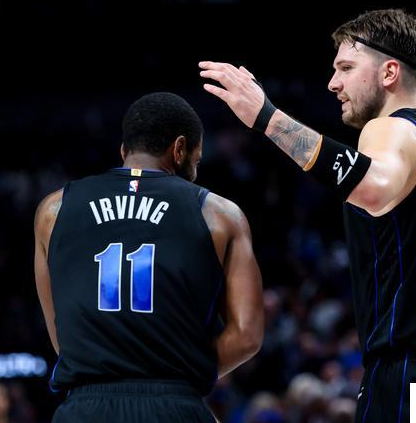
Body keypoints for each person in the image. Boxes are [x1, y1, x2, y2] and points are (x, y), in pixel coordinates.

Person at [199, 8, 416, 422]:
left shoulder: (390, 129)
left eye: (346, 68)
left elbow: (373, 188)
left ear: (389, 73)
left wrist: (268, 119)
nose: (333, 83)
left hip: (413, 376)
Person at [34, 92, 263, 422]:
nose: (195, 170)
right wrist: (185, 375)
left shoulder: (53, 210)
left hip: (86, 406)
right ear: (179, 149)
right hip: (175, 404)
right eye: (197, 161)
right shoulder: (221, 215)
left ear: (123, 150)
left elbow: (61, 335)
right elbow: (247, 335)